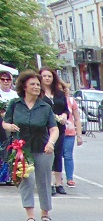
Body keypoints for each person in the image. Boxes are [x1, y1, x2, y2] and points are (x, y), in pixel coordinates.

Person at [2, 71, 58, 221]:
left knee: (44, 181)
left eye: (38, 84)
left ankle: (45, 213)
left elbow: (54, 129)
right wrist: (9, 126)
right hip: (21, 149)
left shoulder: (45, 107)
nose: (36, 87)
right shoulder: (15, 104)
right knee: (26, 180)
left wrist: (51, 143)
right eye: (32, 84)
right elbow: (5, 123)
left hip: (42, 148)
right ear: (24, 87)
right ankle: (30, 216)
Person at [39, 68, 69, 196]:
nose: (47, 78)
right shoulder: (38, 93)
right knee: (47, 155)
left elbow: (66, 109)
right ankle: (49, 183)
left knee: (58, 154)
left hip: (59, 128)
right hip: (44, 129)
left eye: (49, 76)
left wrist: (64, 116)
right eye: (44, 76)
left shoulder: (59, 94)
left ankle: (59, 183)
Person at [61, 84, 83, 188]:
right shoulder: (54, 99)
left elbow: (77, 119)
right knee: (56, 156)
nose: (65, 91)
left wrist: (79, 135)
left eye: (66, 89)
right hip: (56, 132)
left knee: (68, 156)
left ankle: (70, 178)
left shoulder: (71, 101)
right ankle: (58, 178)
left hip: (69, 133)